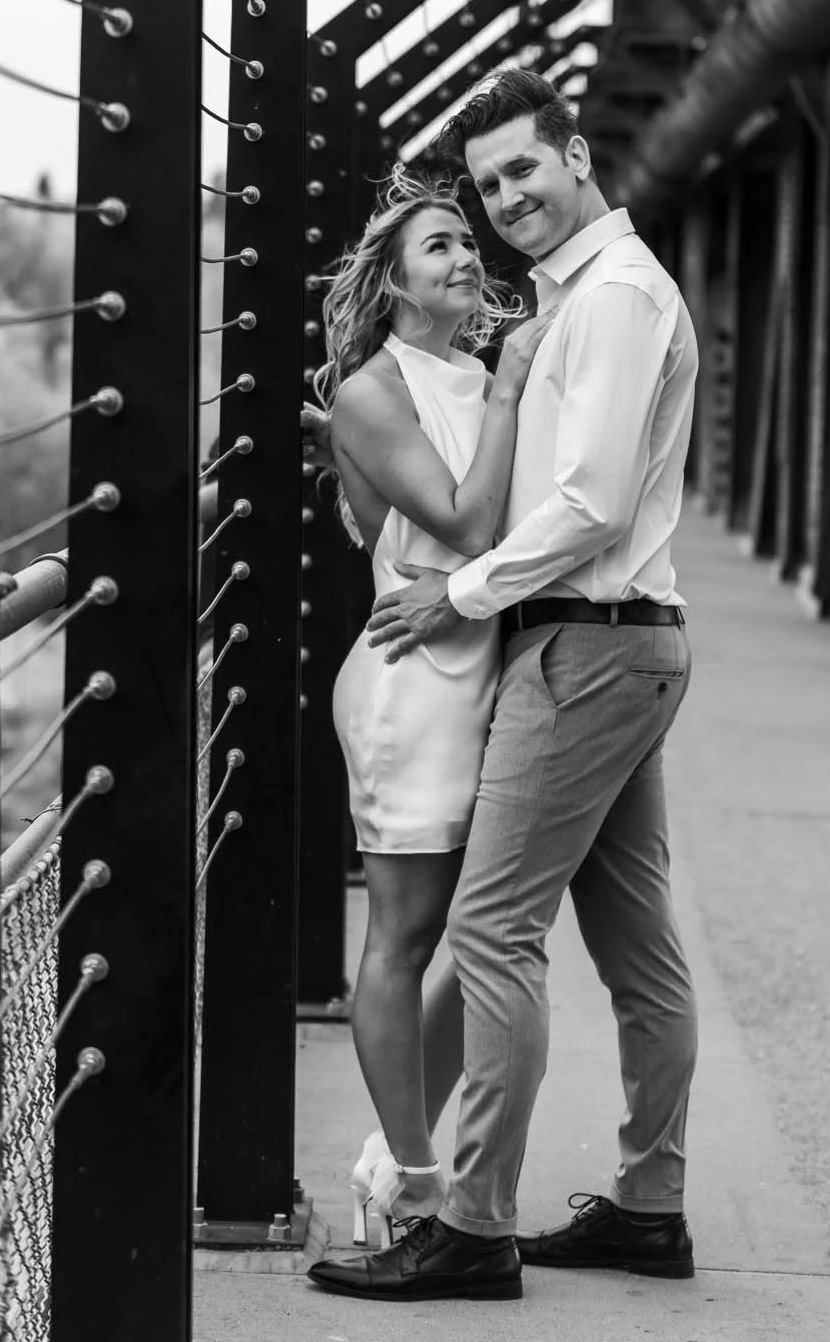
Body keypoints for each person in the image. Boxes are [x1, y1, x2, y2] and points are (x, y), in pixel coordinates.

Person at [309, 65, 700, 1305]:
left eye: (522, 168)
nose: (504, 198)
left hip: (583, 646)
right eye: (484, 187)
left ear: (577, 155)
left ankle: (469, 1227)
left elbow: (579, 504)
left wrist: (463, 596)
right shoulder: (563, 306)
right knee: (635, 946)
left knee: (485, 931)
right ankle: (648, 1205)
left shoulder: (617, 300)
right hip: (610, 644)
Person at [312, 165, 552, 1246]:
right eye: (439, 247)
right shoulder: (373, 388)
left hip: (482, 665)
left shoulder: (463, 370)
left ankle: (395, 1150)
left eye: (468, 239)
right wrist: (507, 388)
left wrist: (502, 385)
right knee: (405, 935)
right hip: (412, 678)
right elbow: (462, 525)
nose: (467, 257)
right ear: (397, 285)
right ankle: (413, 1170)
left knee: (484, 926)